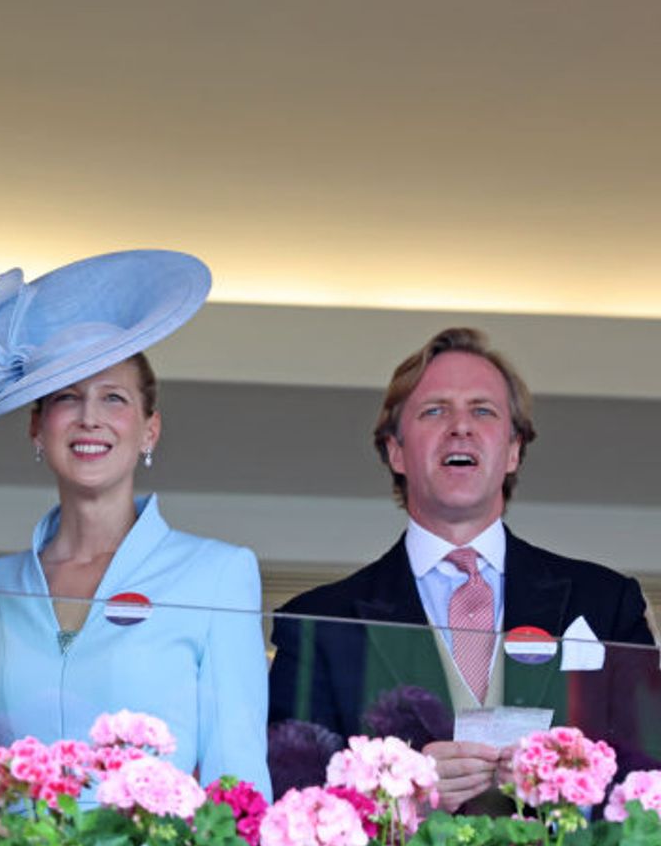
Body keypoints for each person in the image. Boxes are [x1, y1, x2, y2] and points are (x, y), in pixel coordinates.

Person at [0, 250, 272, 796]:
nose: (90, 417)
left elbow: (239, 778)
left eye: (114, 398)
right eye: (68, 398)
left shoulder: (219, 574)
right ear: (36, 427)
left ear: (149, 430)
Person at [269, 327, 654, 812]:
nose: (460, 427)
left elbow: (647, 785)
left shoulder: (605, 602)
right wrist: (399, 803)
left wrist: (564, 786)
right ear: (395, 451)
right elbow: (291, 801)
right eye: (435, 410)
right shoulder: (319, 624)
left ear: (513, 450)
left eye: (483, 410)